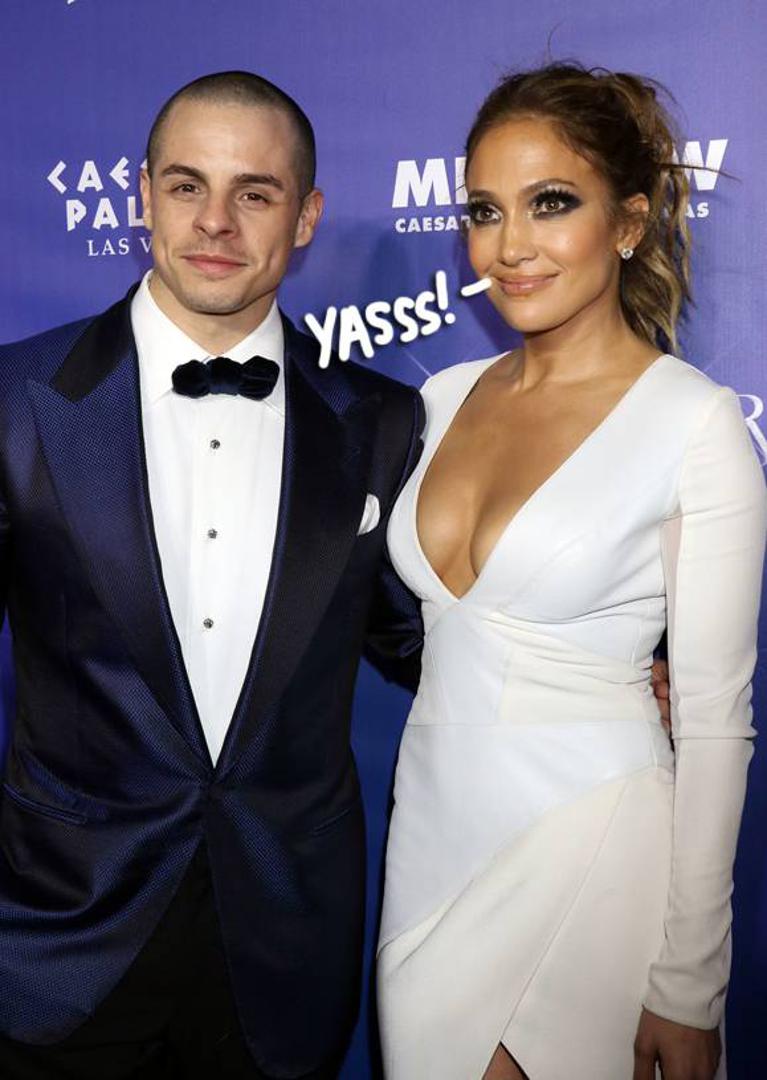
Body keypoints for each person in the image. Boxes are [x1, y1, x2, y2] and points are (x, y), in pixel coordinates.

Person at [0, 71, 427, 1079]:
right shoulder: (15, 401)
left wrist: (615, 671)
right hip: (58, 938)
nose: (216, 222)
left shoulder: (382, 422)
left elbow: (420, 639)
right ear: (142, 196)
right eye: (187, 185)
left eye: (255, 192)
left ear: (306, 216)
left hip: (283, 952)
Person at [377, 64, 766, 1080]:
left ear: (627, 223)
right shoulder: (440, 399)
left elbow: (714, 723)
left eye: (549, 203)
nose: (509, 245)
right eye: (484, 210)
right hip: (429, 845)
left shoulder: (692, 424)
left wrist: (689, 981)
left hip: (595, 842)